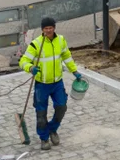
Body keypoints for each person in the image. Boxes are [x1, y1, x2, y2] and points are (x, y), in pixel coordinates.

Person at [18, 17, 79, 151]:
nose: (48, 30)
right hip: (42, 84)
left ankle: (52, 129)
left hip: (57, 82)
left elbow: (67, 57)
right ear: (42, 30)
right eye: (46, 28)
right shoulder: (36, 44)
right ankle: (44, 138)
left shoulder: (61, 40)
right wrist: (30, 68)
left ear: (54, 28)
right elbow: (23, 61)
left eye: (50, 28)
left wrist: (74, 71)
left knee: (62, 107)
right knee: (41, 114)